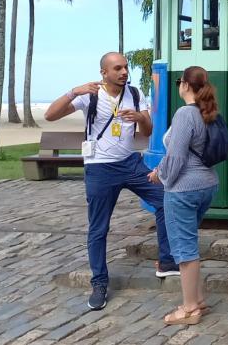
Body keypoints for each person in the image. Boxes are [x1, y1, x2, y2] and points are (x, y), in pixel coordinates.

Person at [44, 52, 179, 311]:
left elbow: (148, 131)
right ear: (104, 72)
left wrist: (140, 118)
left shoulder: (135, 94)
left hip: (130, 163)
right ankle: (99, 283)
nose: (124, 72)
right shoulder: (90, 94)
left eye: (126, 67)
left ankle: (166, 261)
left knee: (164, 199)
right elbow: (50, 115)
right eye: (117, 68)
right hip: (99, 168)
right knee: (98, 228)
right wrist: (73, 91)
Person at [148, 66, 220, 325]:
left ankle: (189, 309)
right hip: (207, 185)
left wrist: (159, 175)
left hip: (183, 189)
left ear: (186, 86)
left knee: (183, 249)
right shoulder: (207, 112)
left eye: (180, 81)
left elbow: (176, 157)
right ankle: (198, 299)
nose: (179, 85)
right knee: (189, 242)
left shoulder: (185, 114)